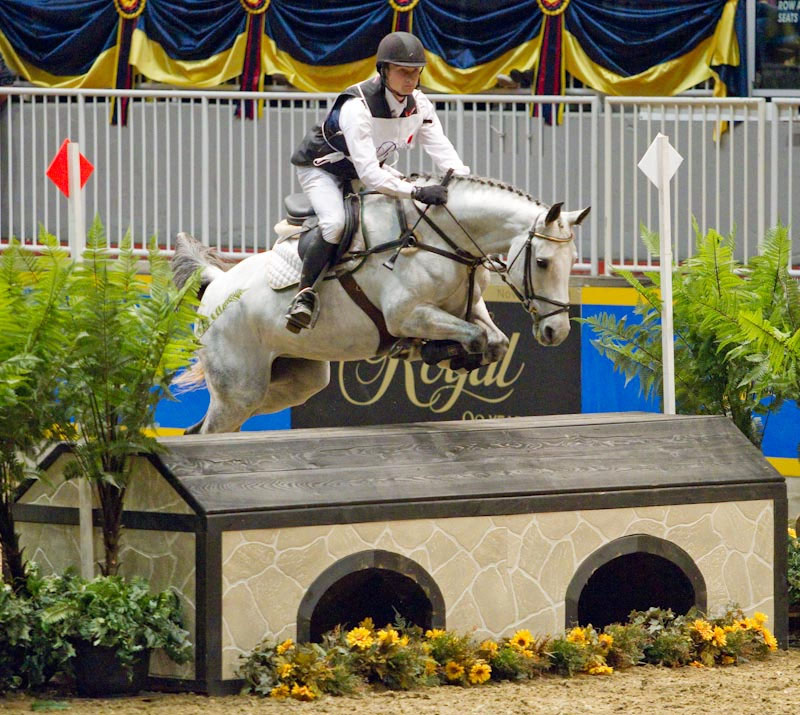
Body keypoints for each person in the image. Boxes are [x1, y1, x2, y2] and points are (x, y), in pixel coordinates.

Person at [286, 31, 470, 331]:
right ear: (383, 71)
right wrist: (417, 191)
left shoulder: (420, 104)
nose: (410, 79)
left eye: (415, 72)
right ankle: (304, 295)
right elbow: (371, 175)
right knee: (335, 224)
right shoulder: (357, 108)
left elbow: (442, 149)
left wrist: (464, 182)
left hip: (365, 169)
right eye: (402, 71)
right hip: (323, 171)